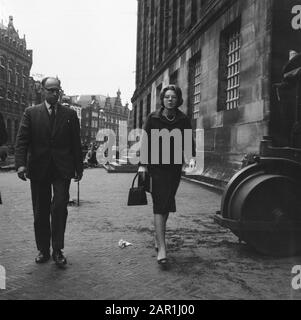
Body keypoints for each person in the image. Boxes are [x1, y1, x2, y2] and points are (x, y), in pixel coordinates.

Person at [15, 77, 83, 267]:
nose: (54, 93)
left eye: (57, 90)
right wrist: (21, 164)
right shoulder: (31, 113)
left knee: (59, 207)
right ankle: (43, 250)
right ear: (43, 91)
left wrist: (79, 167)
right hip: (38, 168)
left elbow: (75, 143)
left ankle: (58, 249)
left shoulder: (69, 114)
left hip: (62, 169)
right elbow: (22, 141)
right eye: (51, 90)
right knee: (40, 210)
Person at [138, 85, 196, 266]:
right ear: (162, 99)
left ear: (178, 99)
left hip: (174, 168)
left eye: (173, 97)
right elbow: (145, 142)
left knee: (167, 202)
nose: (170, 99)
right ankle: (162, 248)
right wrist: (142, 165)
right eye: (167, 97)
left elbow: (189, 142)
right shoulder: (153, 118)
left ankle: (158, 236)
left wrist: (191, 159)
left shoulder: (183, 119)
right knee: (159, 204)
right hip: (156, 167)